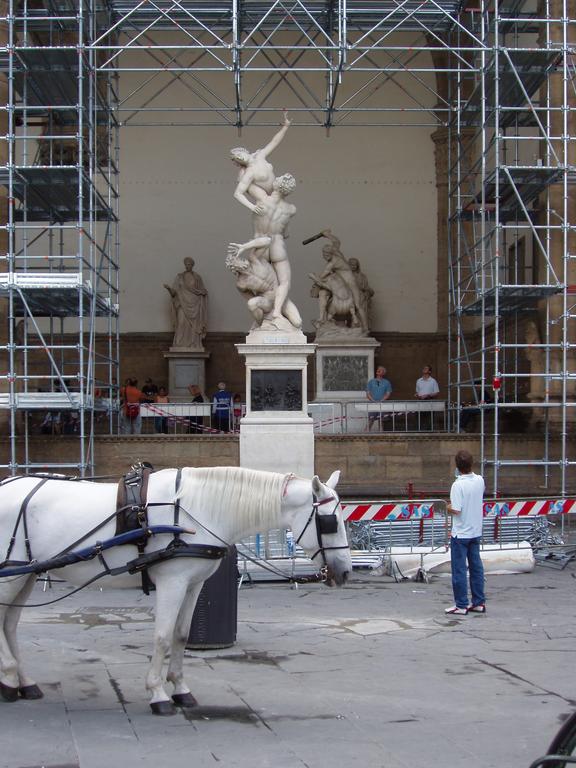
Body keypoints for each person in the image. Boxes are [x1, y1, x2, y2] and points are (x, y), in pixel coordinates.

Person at [445, 450, 486, 615]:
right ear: (471, 464)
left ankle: (461, 604)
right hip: (476, 529)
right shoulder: (480, 480)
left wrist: (447, 506)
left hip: (461, 532)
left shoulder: (458, 484)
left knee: (459, 569)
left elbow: (456, 509)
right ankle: (479, 601)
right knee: (476, 567)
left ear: (457, 466)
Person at [231, 110, 291, 214]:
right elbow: (237, 193)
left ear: (245, 151)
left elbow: (274, 142)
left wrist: (285, 127)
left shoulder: (260, 155)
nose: (240, 158)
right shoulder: (249, 173)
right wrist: (252, 207)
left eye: (239, 155)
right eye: (237, 159)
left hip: (278, 194)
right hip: (266, 199)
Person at [164, 257, 208, 349]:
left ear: (192, 265)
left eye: (189, 264)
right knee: (181, 323)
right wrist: (169, 289)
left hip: (194, 305)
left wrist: (203, 292)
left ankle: (194, 344)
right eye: (186, 264)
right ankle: (179, 344)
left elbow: (202, 290)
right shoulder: (179, 277)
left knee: (193, 327)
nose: (187, 266)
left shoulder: (197, 277)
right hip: (182, 304)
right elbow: (174, 293)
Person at [366, 366, 392, 431]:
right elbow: (368, 393)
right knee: (370, 420)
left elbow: (388, 394)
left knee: (381, 421)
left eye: (381, 370)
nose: (378, 370)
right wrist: (373, 401)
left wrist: (381, 400)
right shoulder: (371, 382)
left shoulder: (387, 382)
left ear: (383, 373)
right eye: (378, 369)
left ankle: (381, 435)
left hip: (382, 404)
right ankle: (365, 435)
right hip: (373, 404)